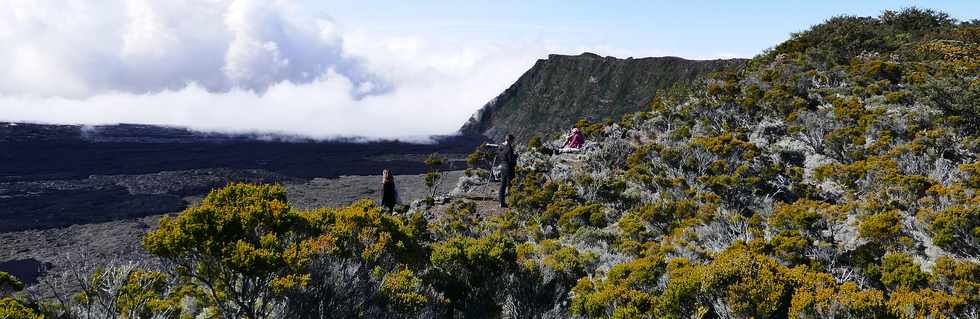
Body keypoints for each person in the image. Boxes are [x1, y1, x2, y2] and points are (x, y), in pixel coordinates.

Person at [498, 134, 518, 208]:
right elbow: (511, 160)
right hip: (509, 168)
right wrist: (515, 157)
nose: (513, 142)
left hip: (502, 167)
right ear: (510, 140)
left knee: (502, 185)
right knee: (510, 185)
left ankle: (501, 202)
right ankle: (511, 202)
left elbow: (500, 155)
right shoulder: (509, 148)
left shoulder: (500, 146)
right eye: (512, 140)